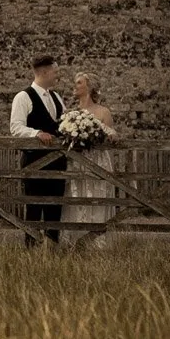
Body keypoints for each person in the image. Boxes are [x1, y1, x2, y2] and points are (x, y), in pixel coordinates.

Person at [9, 55, 68, 244]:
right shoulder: (23, 97)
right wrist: (36, 133)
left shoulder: (56, 97)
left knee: (55, 208)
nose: (57, 75)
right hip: (35, 162)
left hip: (58, 162)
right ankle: (31, 251)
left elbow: (65, 123)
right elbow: (16, 128)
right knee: (33, 208)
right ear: (44, 72)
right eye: (55, 71)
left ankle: (52, 249)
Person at [60, 72, 118, 247]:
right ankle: (73, 243)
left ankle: (95, 244)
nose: (75, 86)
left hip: (97, 162)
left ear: (89, 87)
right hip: (77, 163)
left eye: (79, 83)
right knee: (75, 197)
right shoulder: (71, 114)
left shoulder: (103, 111)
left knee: (96, 198)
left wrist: (112, 135)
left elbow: (112, 133)